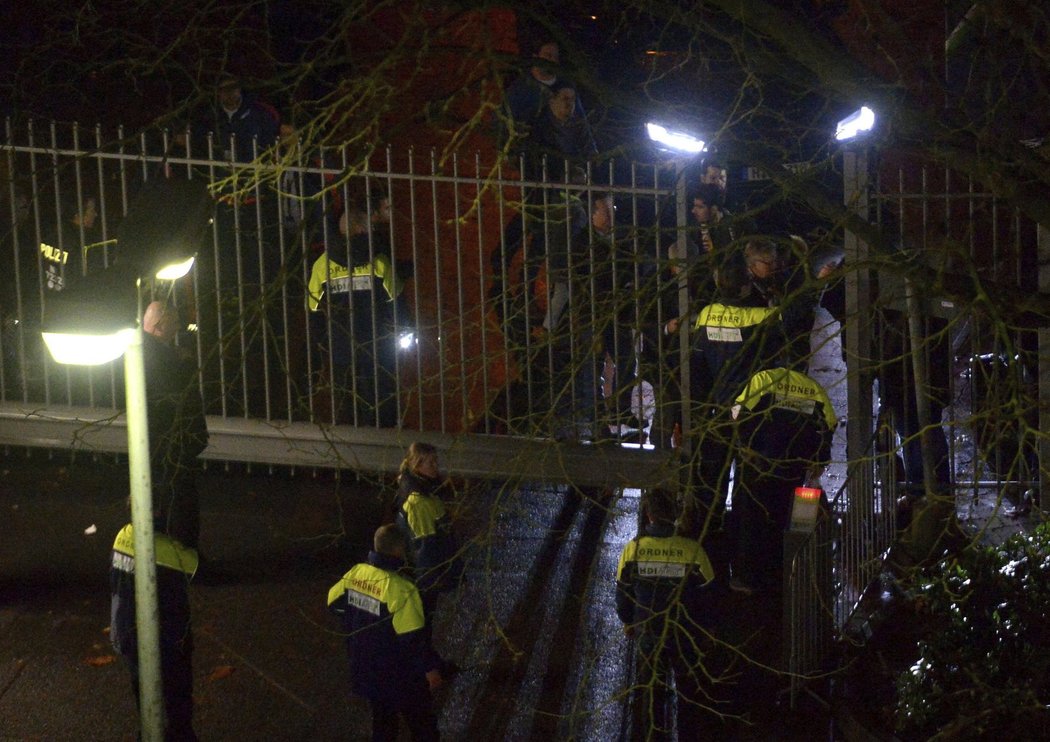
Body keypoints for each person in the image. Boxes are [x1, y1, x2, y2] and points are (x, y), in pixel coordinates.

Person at [615, 488, 723, 739]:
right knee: (688, 695)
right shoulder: (692, 551)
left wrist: (629, 621)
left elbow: (623, 594)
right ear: (674, 515)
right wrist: (709, 628)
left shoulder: (633, 550)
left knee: (651, 696)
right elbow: (710, 595)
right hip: (683, 633)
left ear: (649, 516)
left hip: (649, 633)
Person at [327, 524, 444, 742]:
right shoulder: (401, 588)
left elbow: (334, 603)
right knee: (422, 725)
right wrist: (430, 669)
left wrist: (358, 620)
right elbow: (413, 640)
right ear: (400, 550)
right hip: (401, 673)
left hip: (367, 668)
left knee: (383, 725)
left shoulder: (356, 573)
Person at [729, 367, 837, 593]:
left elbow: (738, 412)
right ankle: (785, 575)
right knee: (787, 520)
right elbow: (829, 424)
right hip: (794, 467)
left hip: (759, 465)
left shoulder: (763, 380)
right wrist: (819, 458)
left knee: (751, 520)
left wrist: (744, 445)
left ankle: (749, 577)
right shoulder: (813, 388)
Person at [307, 191, 406, 427]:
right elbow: (398, 302)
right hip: (377, 345)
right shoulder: (380, 261)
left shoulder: (322, 265)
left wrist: (320, 342)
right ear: (363, 230)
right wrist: (403, 332)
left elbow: (313, 309)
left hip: (340, 347)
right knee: (382, 406)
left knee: (345, 409)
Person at [110, 516, 199, 741]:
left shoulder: (123, 535)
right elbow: (202, 569)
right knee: (177, 700)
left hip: (126, 633)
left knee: (143, 693)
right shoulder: (165, 549)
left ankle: (148, 733)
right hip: (167, 642)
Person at [143, 300, 209, 549]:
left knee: (167, 498)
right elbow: (174, 393)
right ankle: (183, 556)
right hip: (172, 438)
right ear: (160, 324)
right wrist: (185, 362)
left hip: (165, 439)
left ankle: (167, 555)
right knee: (181, 501)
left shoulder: (152, 351)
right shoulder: (158, 356)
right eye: (175, 320)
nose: (180, 325)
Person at [394, 442, 463, 614]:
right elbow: (424, 547)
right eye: (430, 463)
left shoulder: (426, 490)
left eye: (436, 462)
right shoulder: (419, 501)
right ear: (417, 465)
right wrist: (431, 584)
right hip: (426, 581)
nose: (435, 467)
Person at [744, 236, 819, 371]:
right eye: (768, 262)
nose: (774, 265)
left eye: (775, 260)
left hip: (793, 347)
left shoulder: (781, 275)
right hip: (765, 353)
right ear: (752, 264)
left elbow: (801, 304)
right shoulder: (745, 289)